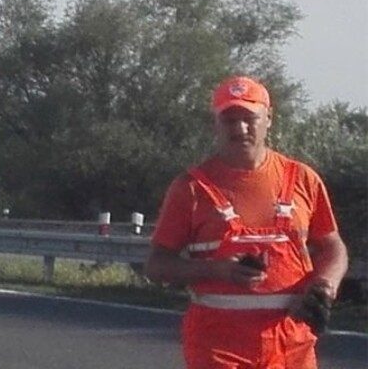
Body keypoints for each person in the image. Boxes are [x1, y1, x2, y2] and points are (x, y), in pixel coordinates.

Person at [145, 76, 348, 368]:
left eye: (249, 118)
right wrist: (216, 270)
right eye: (229, 120)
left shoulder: (302, 179)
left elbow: (332, 247)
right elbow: (156, 265)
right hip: (218, 345)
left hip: (292, 343)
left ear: (268, 118)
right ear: (215, 124)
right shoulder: (191, 188)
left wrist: (325, 285)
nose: (240, 129)